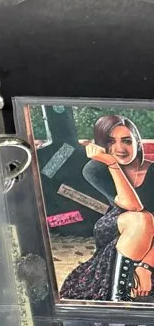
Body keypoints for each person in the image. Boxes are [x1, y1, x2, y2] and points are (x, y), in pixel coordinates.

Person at [60, 115, 154, 301]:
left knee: (147, 220)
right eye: (111, 142)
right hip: (117, 227)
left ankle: (124, 289)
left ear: (138, 142)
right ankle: (120, 296)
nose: (120, 148)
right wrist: (112, 163)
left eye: (127, 141)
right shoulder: (95, 169)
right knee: (141, 219)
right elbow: (133, 206)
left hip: (151, 240)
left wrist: (146, 267)